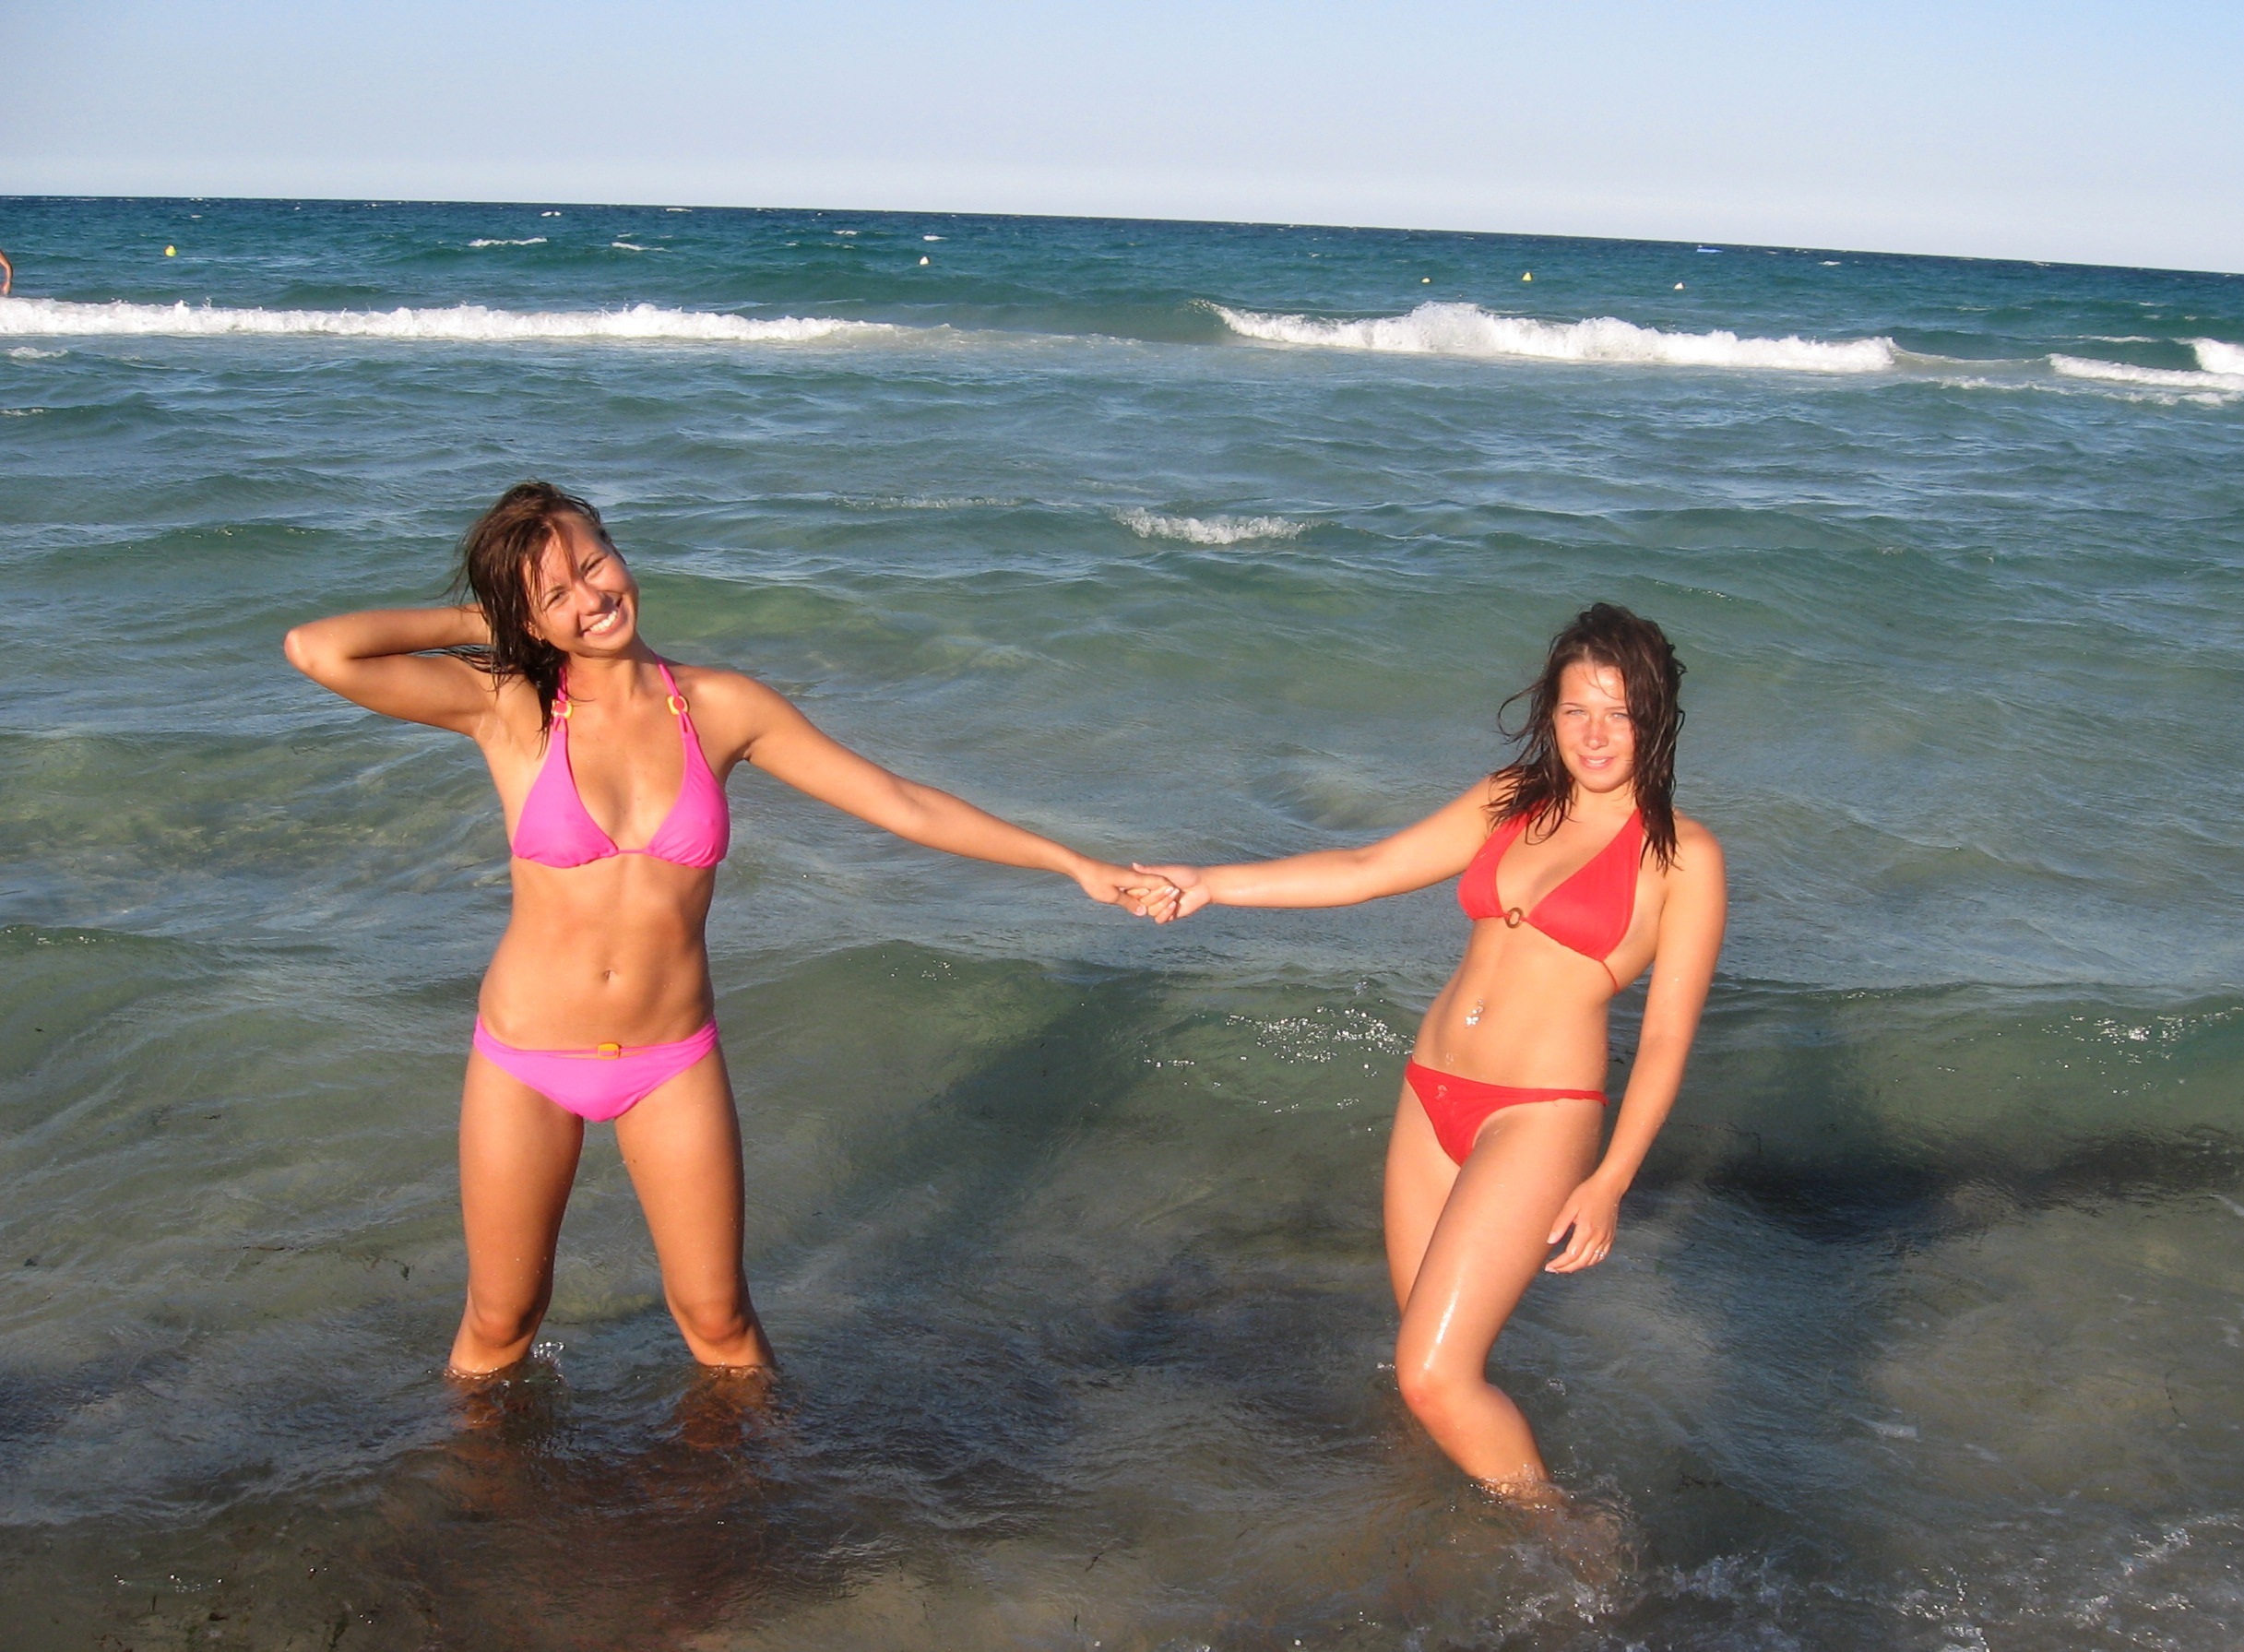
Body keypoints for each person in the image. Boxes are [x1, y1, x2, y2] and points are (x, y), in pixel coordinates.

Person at [284, 481, 1176, 1379]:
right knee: (501, 1318)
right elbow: (318, 649)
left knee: (719, 1320)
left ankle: (765, 1470)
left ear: (617, 551)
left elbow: (899, 801)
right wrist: (490, 622)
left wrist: (1071, 862)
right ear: (525, 617)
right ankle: (470, 1471)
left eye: (594, 563)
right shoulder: (511, 707)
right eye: (556, 592)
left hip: (669, 1058)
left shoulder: (720, 707)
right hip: (527, 1059)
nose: (592, 596)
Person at [1136, 604, 1724, 1500]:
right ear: (1550, 712)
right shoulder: (1510, 799)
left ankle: (1570, 1542)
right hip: (1431, 1091)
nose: (1596, 734)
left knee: (1432, 1375)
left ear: (1655, 717)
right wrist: (1209, 883)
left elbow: (1667, 1037)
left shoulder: (1681, 857)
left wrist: (1610, 1181)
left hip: (1538, 1113)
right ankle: (1422, 1523)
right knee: (1425, 1360)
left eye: (1620, 712)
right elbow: (1365, 868)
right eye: (1576, 710)